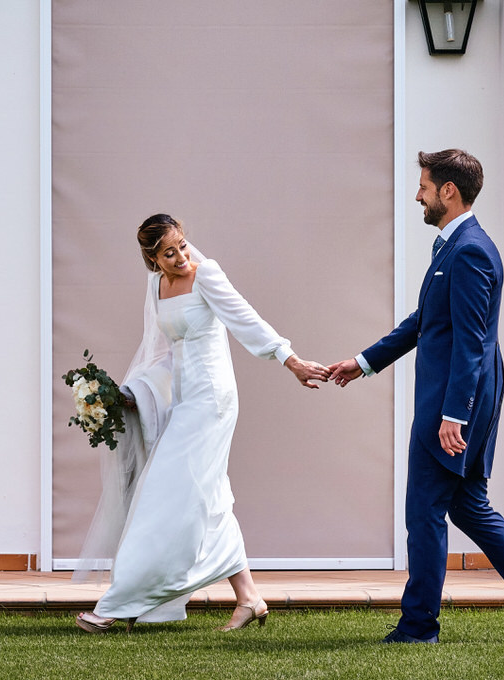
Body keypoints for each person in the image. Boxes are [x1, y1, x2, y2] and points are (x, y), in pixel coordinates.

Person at [328, 150, 504, 645]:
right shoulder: (454, 247)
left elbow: (472, 342)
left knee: (424, 512)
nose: (417, 196)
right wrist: (363, 362)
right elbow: (426, 321)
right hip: (463, 401)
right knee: (469, 507)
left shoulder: (469, 252)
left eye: (424, 187)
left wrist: (454, 415)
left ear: (448, 191)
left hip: (452, 406)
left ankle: (418, 627)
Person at [74, 213, 330, 634]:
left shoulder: (206, 274)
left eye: (182, 245)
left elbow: (246, 319)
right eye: (168, 253)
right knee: (208, 497)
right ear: (152, 259)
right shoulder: (156, 287)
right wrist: (132, 392)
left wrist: (291, 360)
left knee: (162, 494)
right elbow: (162, 351)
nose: (181, 258)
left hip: (212, 400)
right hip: (183, 399)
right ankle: (249, 597)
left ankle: (118, 603)